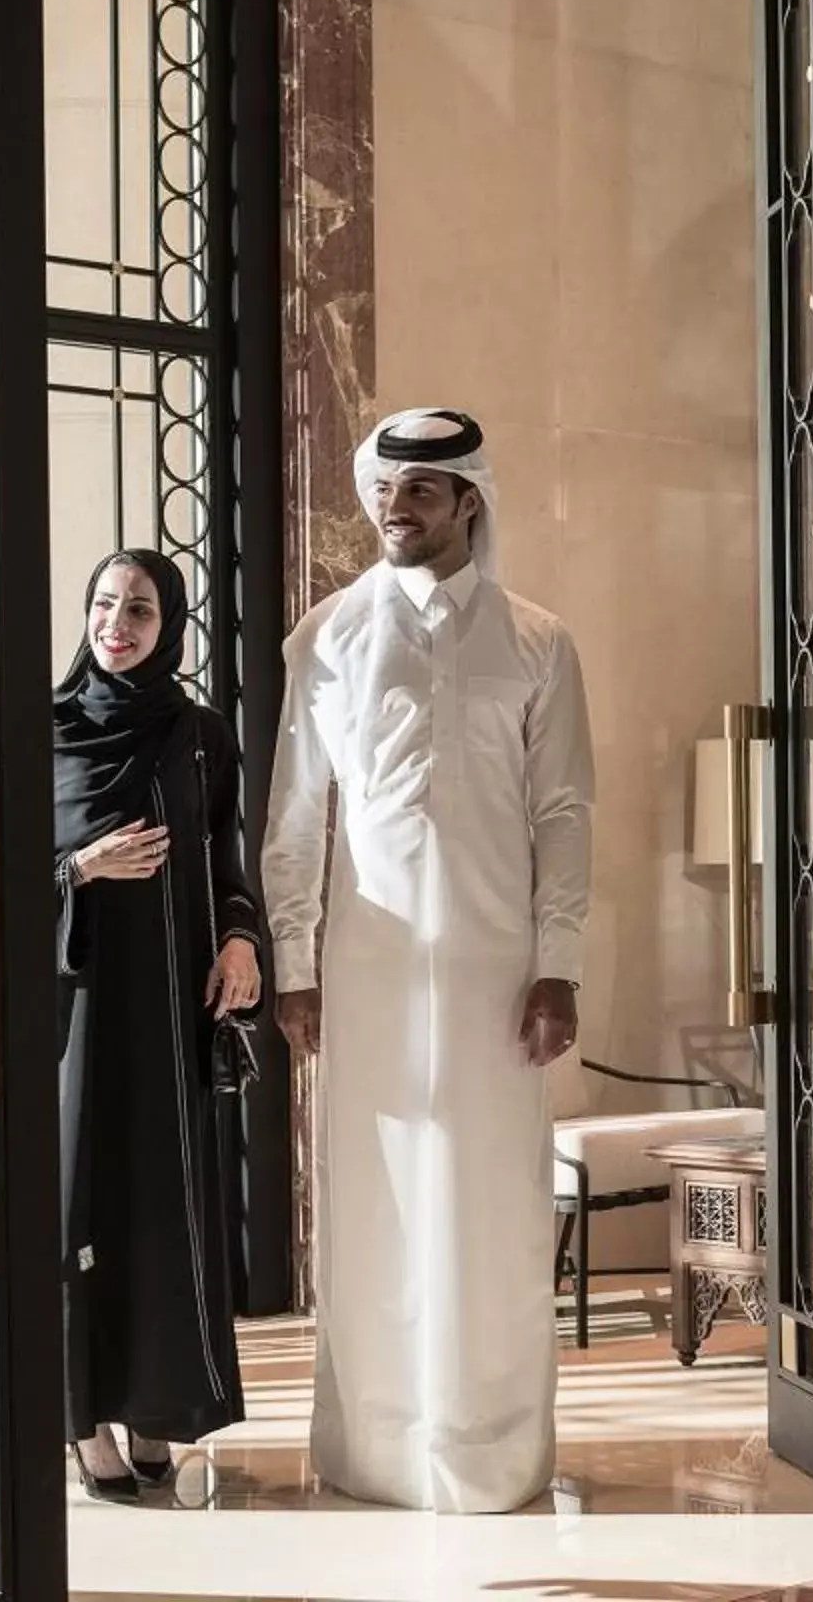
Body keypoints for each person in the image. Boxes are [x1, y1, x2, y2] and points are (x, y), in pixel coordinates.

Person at [262, 408, 595, 1514]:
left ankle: (492, 1447)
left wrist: (561, 965)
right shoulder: (326, 637)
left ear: (467, 502)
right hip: (371, 968)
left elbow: (565, 812)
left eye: (420, 490)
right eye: (384, 488)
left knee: (495, 1202)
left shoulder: (539, 640)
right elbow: (297, 816)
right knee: (377, 1196)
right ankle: (381, 1445)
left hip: (499, 975)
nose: (394, 509)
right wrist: (297, 963)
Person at [52, 549, 269, 1501]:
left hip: (172, 1013)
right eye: (104, 604)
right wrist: (79, 870)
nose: (119, 623)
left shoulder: (198, 735)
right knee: (80, 1210)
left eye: (140, 608)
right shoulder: (45, 730)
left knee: (159, 1214)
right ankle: (82, 1420)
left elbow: (231, 860)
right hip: (76, 1021)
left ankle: (155, 1406)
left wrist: (240, 941)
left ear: (168, 622)